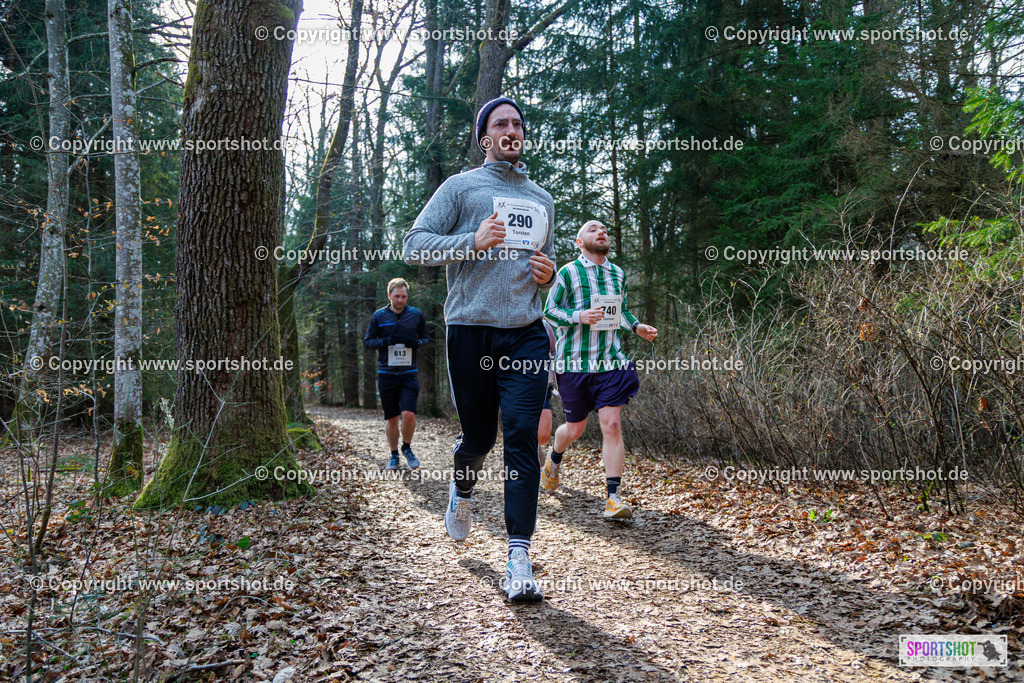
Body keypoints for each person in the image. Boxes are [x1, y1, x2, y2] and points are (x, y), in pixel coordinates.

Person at [404, 96, 556, 602]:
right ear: (484, 138)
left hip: (526, 333)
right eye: (500, 124)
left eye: (517, 123)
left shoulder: (541, 199)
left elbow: (540, 267)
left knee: (520, 437)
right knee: (479, 437)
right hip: (470, 329)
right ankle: (462, 488)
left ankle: (519, 558)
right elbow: (415, 245)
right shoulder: (461, 188)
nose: (511, 130)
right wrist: (472, 240)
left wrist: (548, 275)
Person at [542, 220, 658, 519]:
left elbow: (620, 310)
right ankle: (555, 457)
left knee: (612, 425)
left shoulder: (617, 273)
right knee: (576, 430)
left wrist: (636, 326)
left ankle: (613, 498)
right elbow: (549, 311)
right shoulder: (567, 272)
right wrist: (580, 316)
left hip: (610, 361)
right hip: (574, 363)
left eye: (604, 229)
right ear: (579, 242)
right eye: (593, 229)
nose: (601, 231)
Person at [363, 278, 429, 471]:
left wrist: (415, 343)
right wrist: (386, 341)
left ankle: (406, 448)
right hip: (386, 374)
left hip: (409, 374)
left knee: (408, 414)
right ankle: (393, 455)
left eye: (404, 296)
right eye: (397, 296)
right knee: (392, 418)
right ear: (389, 295)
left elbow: (426, 338)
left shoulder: (416, 315)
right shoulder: (379, 316)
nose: (400, 300)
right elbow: (367, 342)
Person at [537, 319, 556, 466]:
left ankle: (536, 446)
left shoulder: (543, 325)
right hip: (514, 383)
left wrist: (558, 381)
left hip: (542, 384)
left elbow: (555, 352)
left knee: (543, 436)